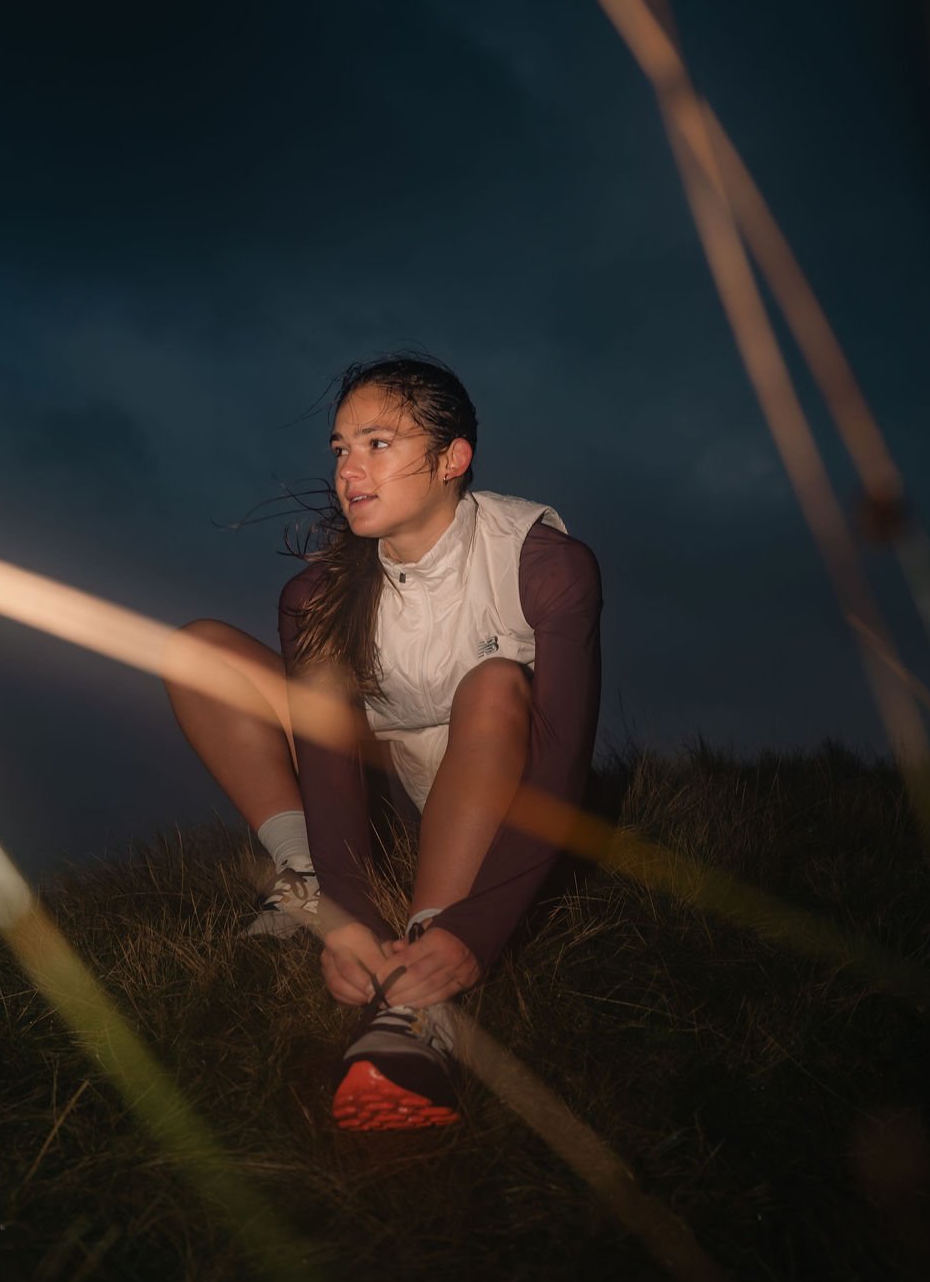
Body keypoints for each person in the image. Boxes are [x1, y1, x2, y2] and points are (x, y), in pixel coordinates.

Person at [165, 356, 602, 1132]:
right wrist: (343, 915)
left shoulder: (544, 563)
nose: (348, 470)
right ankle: (299, 878)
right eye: (340, 449)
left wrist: (476, 932)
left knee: (497, 679)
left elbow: (564, 758)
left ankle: (419, 985)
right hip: (387, 786)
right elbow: (329, 755)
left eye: (376, 444)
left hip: (496, 783)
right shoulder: (316, 593)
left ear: (451, 459)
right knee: (198, 648)